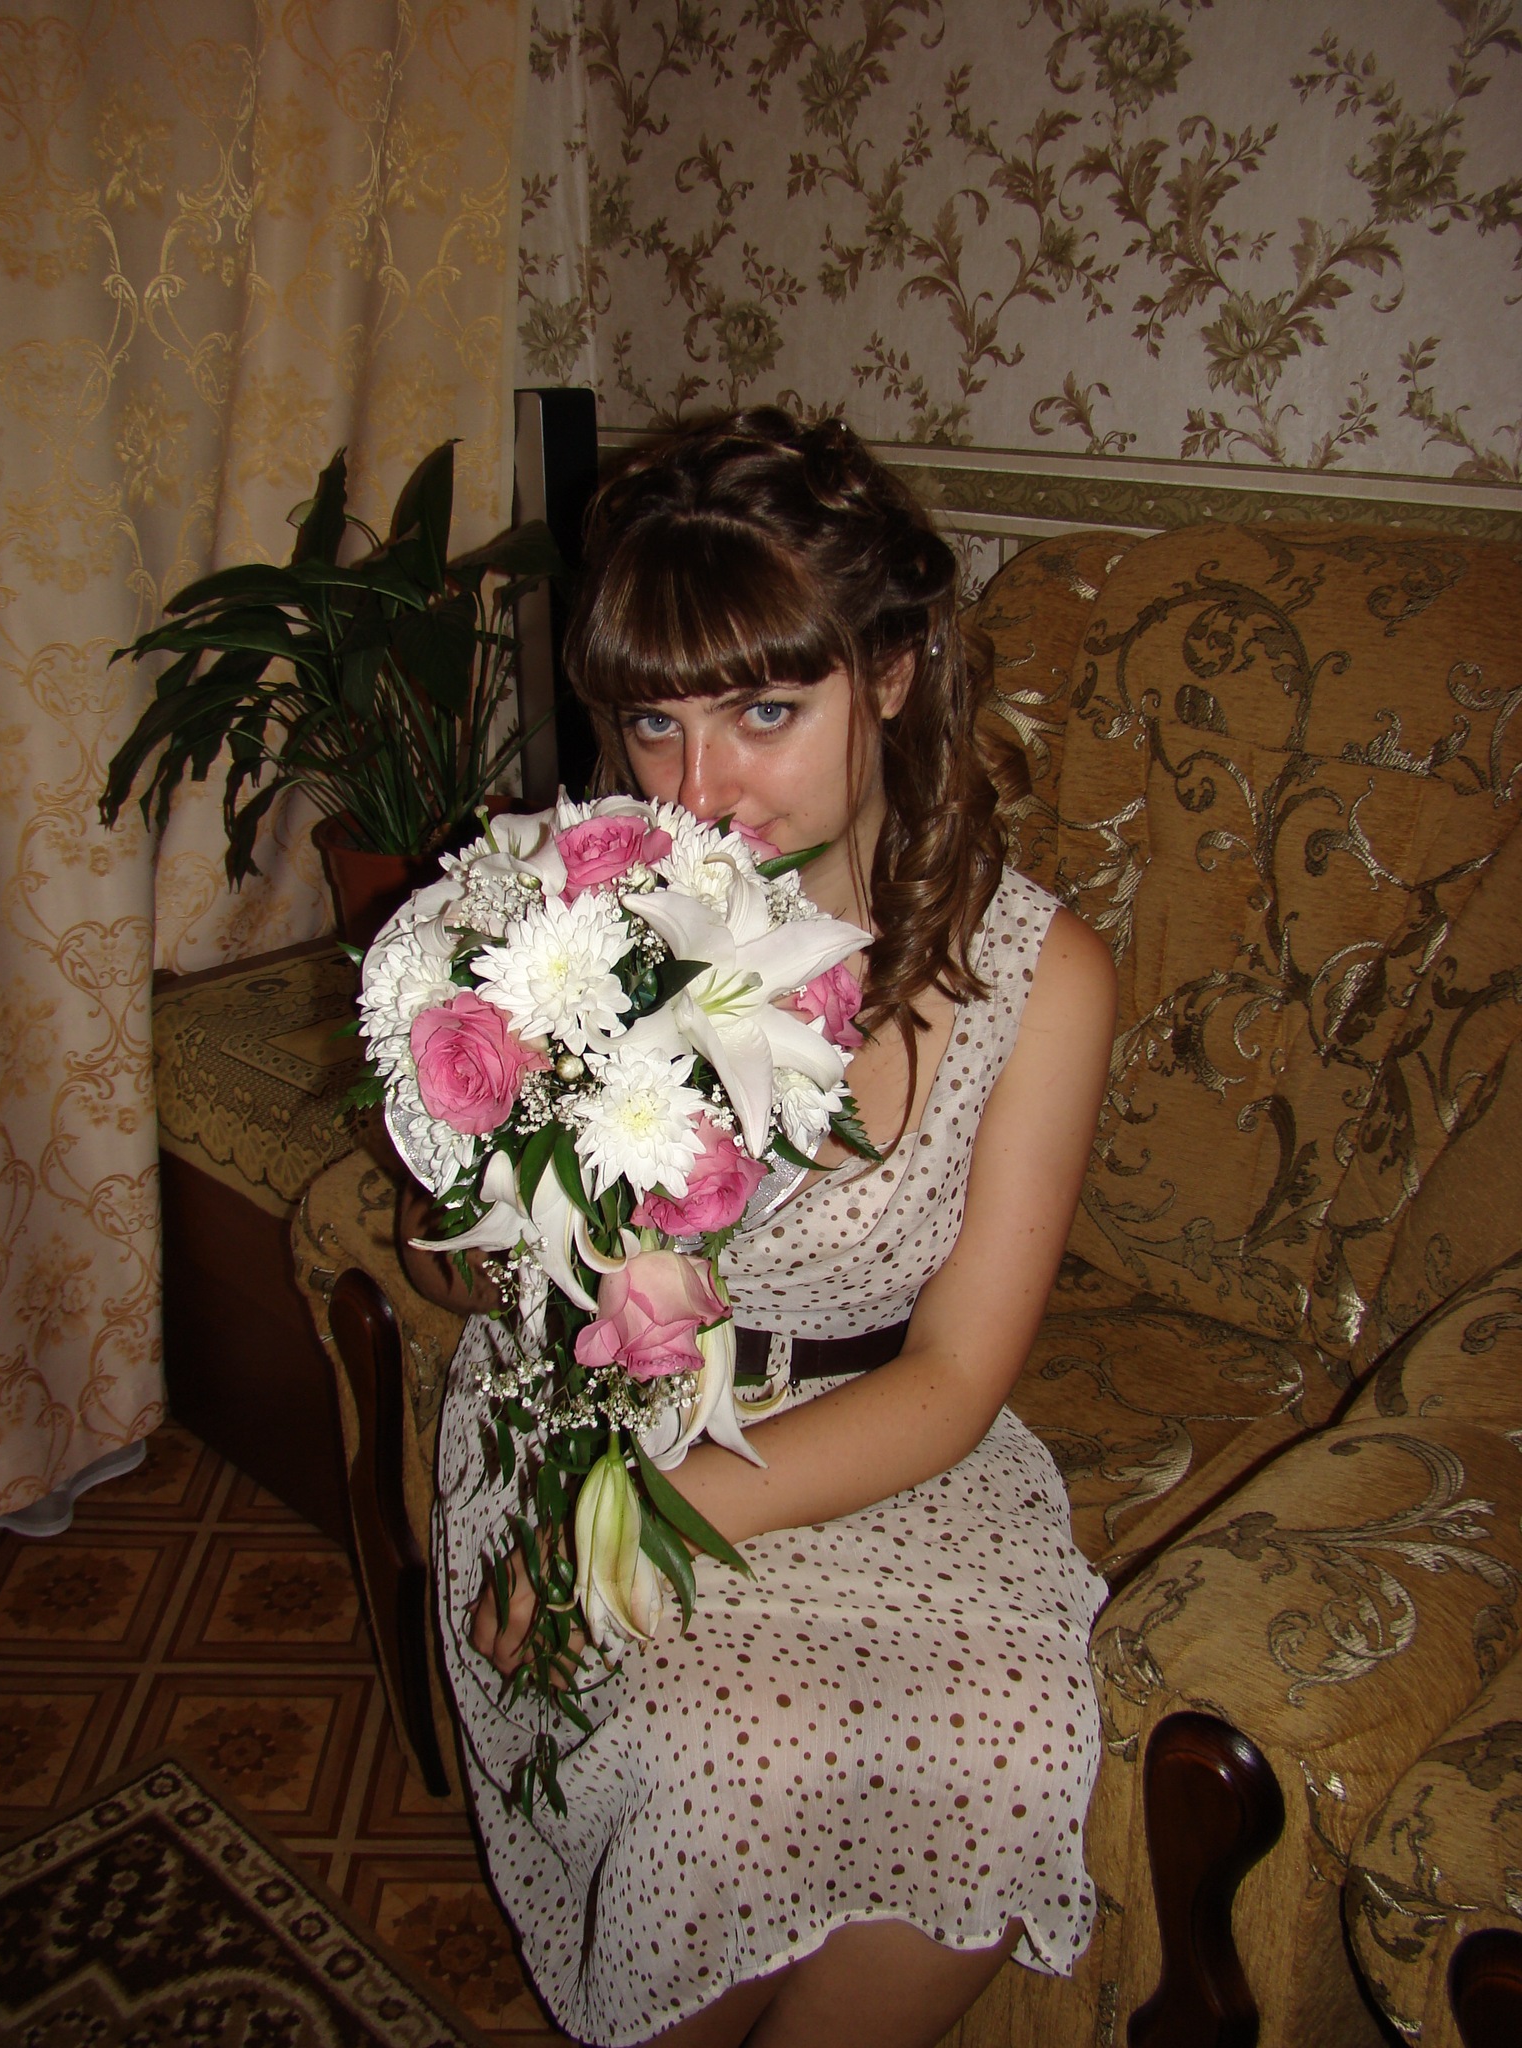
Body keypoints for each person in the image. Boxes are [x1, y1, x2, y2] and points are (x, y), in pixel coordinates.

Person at [404, 407, 1116, 2048]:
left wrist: (618, 1534)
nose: (699, 788)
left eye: (766, 711)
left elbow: (954, 1378)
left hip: (875, 1450)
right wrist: (488, 1191)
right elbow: (458, 1255)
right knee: (733, 1756)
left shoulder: (1039, 977)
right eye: (655, 720)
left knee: (1014, 1742)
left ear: (894, 672)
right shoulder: (577, 923)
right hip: (602, 1425)